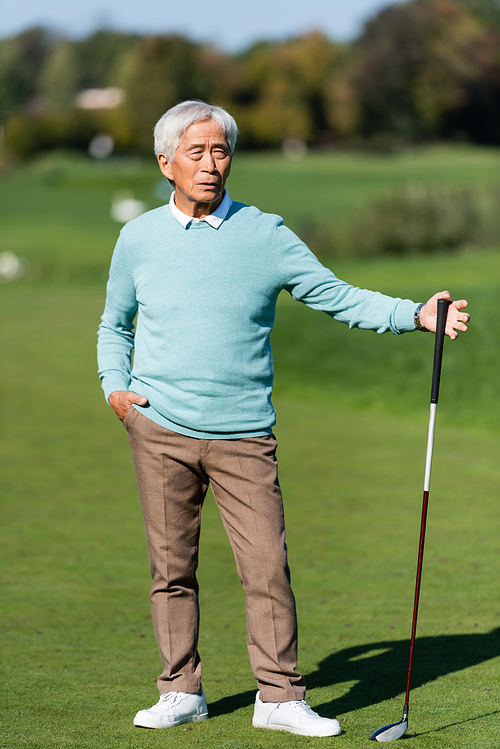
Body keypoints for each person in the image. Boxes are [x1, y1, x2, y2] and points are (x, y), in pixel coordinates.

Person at [97, 100, 470, 737]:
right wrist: (116, 389)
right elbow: (115, 324)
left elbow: (338, 296)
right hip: (160, 428)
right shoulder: (137, 239)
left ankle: (279, 697)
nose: (212, 165)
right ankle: (180, 689)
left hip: (243, 433)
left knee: (267, 568)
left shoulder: (265, 234)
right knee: (171, 568)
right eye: (197, 153)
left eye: (221, 152)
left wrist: (414, 313)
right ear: (166, 163)